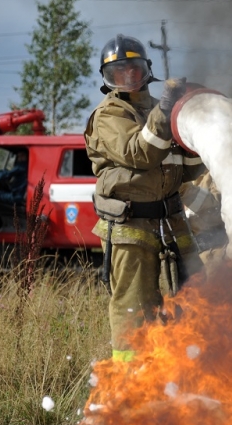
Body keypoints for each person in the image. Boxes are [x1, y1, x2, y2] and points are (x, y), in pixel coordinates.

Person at [84, 34, 208, 362]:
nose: (128, 77)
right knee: (135, 309)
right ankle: (129, 380)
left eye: (134, 69)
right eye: (118, 72)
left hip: (172, 223)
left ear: (146, 70)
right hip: (130, 226)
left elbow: (186, 171)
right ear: (108, 78)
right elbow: (139, 153)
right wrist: (166, 111)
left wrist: (194, 135)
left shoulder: (161, 110)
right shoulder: (109, 115)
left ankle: (188, 369)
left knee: (194, 299)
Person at [0, 149, 28, 229]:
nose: (19, 158)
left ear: (27, 157)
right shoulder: (25, 166)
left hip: (16, 197)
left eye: (22, 156)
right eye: (18, 156)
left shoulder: (21, 166)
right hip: (18, 195)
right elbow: (7, 173)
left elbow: (3, 176)